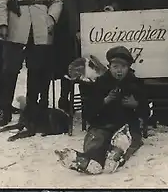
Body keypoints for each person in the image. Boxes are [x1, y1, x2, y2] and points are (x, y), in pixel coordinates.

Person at [57, 46, 149, 174]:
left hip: (126, 127)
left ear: (128, 68)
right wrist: (104, 101)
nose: (119, 71)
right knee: (96, 140)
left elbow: (146, 114)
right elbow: (88, 113)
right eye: (115, 67)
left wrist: (136, 105)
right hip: (103, 125)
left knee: (126, 141)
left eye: (123, 67)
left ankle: (115, 156)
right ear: (109, 67)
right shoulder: (100, 84)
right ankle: (91, 161)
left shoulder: (136, 85)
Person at [63, 0, 116, 120]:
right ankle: (88, 110)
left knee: (102, 67)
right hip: (83, 33)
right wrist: (76, 30)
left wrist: (112, 7)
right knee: (86, 70)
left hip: (103, 32)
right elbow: (70, 5)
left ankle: (103, 108)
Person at [51, 0, 77, 112]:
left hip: (70, 25)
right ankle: (44, 100)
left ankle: (65, 98)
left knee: (70, 63)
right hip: (53, 25)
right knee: (52, 64)